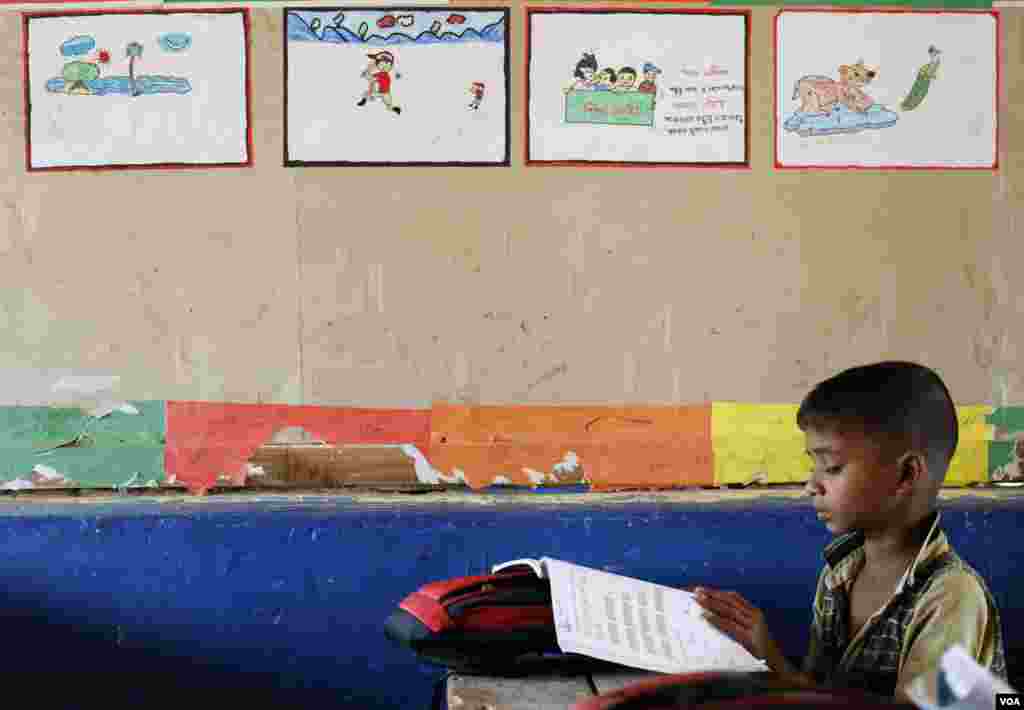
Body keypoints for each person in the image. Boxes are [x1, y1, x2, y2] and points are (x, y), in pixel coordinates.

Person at [692, 361, 1007, 705]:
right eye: (813, 465)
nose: (812, 485)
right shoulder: (839, 574)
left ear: (905, 475)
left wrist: (775, 661)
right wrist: (762, 653)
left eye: (832, 467)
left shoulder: (951, 597)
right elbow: (818, 697)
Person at [356, 50, 401, 115]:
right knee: (368, 93)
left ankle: (393, 108)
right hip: (380, 92)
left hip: (384, 93)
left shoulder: (382, 74)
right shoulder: (380, 73)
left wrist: (367, 74)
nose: (376, 64)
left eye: (378, 62)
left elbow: (372, 78)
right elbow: (372, 77)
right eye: (378, 63)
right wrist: (367, 73)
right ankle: (364, 100)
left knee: (387, 102)